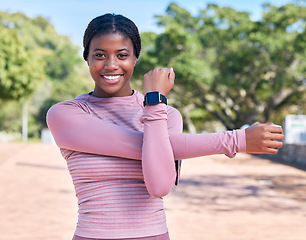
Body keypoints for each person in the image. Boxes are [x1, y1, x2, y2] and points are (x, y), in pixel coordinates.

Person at [46, 13, 284, 240]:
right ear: (86, 57)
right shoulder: (66, 114)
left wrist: (153, 105)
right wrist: (237, 140)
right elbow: (148, 146)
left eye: (121, 55)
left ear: (135, 58)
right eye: (99, 55)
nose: (110, 65)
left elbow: (159, 186)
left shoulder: (166, 115)